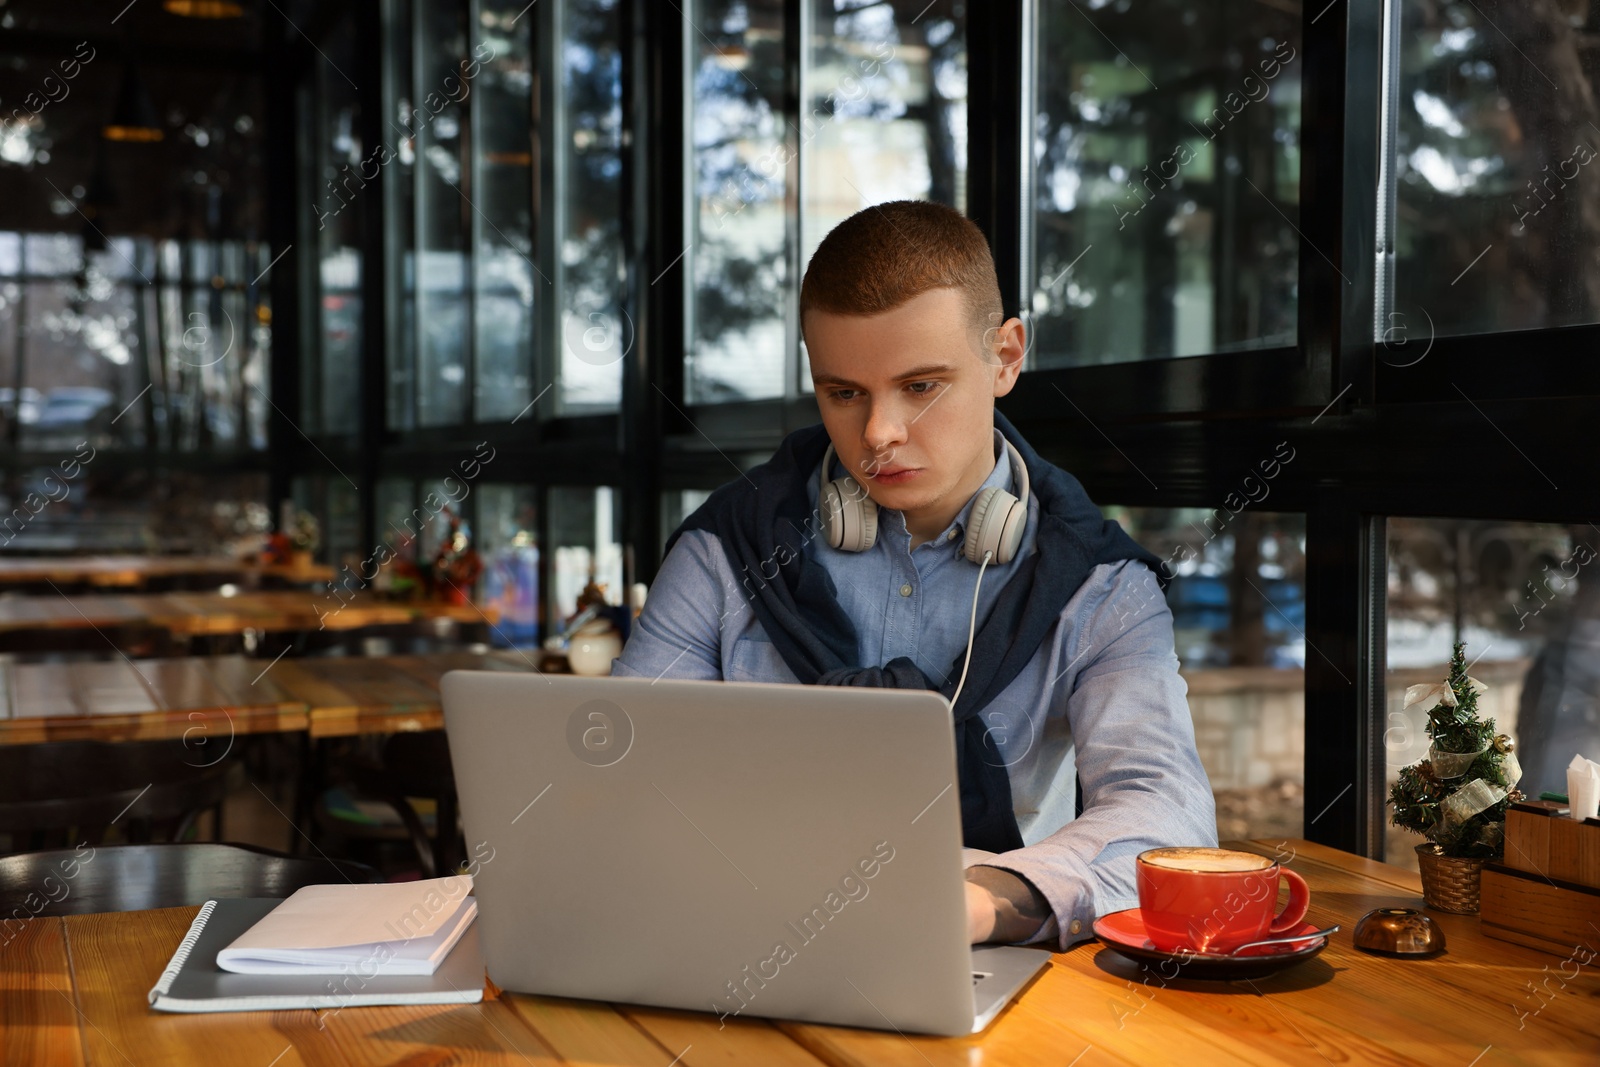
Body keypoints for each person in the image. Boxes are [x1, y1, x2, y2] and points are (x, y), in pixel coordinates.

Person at [612, 200, 1217, 949]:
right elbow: (625, 766)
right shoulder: (725, 547)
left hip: (981, 951)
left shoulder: (1102, 586)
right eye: (844, 392)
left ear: (1006, 357)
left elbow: (1166, 814)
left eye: (921, 386)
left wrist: (981, 903)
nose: (878, 434)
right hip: (732, 933)